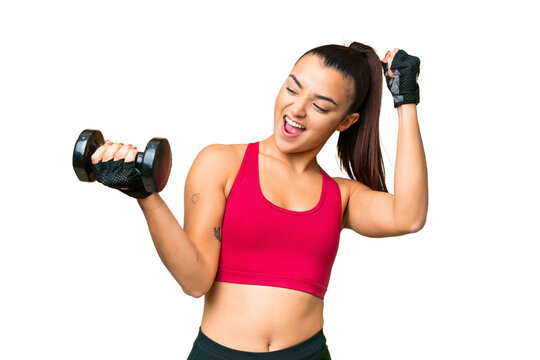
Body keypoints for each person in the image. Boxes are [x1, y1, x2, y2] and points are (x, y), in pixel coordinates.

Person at [89, 41, 428, 359]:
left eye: (320, 105)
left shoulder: (342, 195)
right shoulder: (221, 163)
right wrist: (145, 195)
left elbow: (409, 216)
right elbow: (194, 281)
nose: (297, 109)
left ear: (345, 121)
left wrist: (406, 101)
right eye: (293, 88)